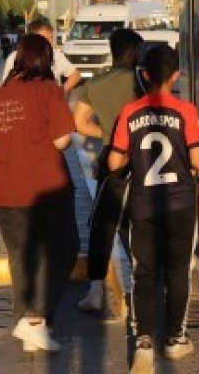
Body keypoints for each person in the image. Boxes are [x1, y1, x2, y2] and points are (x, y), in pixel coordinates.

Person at [107, 44, 199, 371]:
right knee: (178, 271)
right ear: (176, 75)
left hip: (144, 204)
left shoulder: (130, 111)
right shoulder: (186, 110)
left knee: (145, 272)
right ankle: (176, 339)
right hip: (180, 203)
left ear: (145, 75)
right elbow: (196, 160)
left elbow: (114, 161)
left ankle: (145, 341)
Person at [0, 34, 79, 354]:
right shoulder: (48, 90)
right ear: (46, 61)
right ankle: (35, 320)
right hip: (42, 187)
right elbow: (63, 140)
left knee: (21, 258)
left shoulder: (1, 95)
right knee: (63, 249)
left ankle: (28, 326)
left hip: (1, 190)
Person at [73, 27, 144, 314]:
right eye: (138, 51)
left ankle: (95, 290)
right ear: (129, 52)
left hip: (109, 157)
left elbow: (78, 123)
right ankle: (142, 290)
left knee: (104, 226)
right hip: (141, 158)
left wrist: (106, 133)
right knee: (140, 225)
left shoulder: (96, 83)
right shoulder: (140, 81)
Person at [0, 18, 81, 93]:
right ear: (32, 39)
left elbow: (75, 75)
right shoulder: (15, 57)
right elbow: (5, 86)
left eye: (51, 38)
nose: (50, 42)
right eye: (45, 39)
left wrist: (61, 92)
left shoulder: (56, 55)